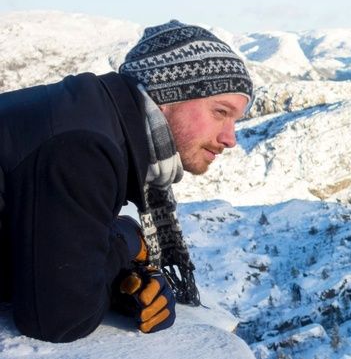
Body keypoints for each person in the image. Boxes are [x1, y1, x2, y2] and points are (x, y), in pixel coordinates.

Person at [0, 20, 252, 342]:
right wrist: (125, 239)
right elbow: (59, 318)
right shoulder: (85, 146)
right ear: (168, 93)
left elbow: (32, 259)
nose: (231, 139)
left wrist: (113, 281)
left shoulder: (93, 115)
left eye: (235, 120)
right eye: (220, 112)